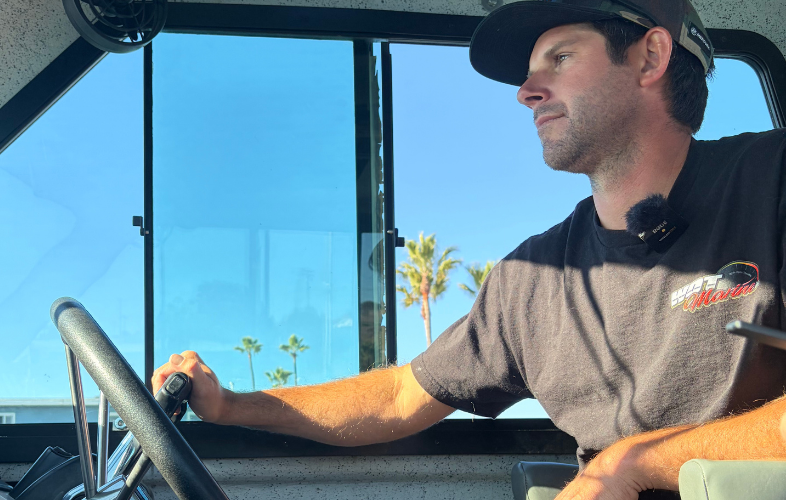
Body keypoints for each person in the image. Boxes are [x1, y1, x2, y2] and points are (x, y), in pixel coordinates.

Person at [154, 1, 786, 498]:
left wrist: (630, 464)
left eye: (560, 58)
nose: (526, 91)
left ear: (650, 56)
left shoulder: (771, 179)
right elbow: (398, 397)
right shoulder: (533, 279)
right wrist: (232, 405)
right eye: (530, 73)